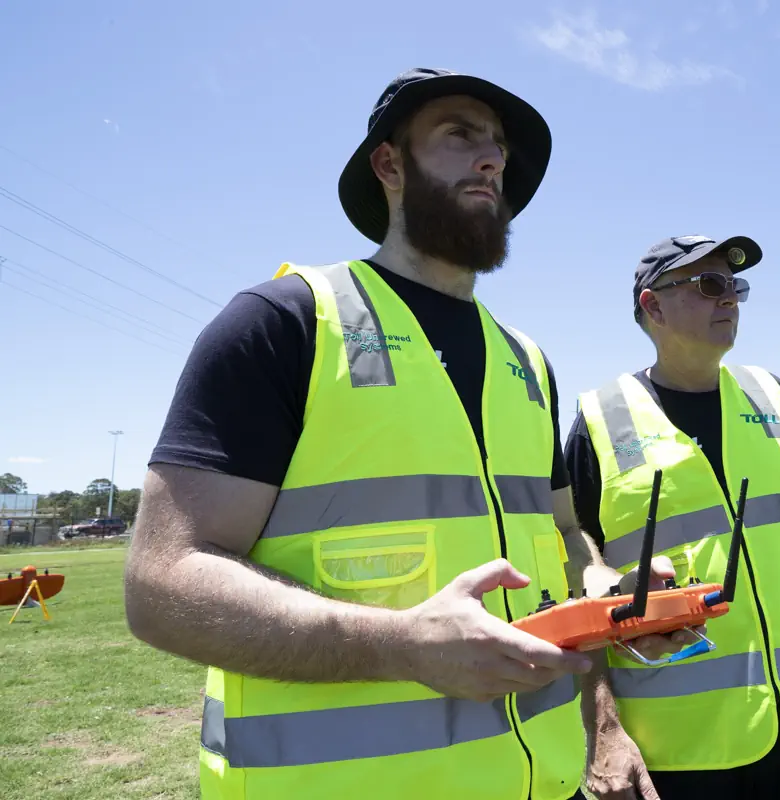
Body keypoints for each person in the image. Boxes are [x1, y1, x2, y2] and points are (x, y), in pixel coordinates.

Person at [123, 66, 666, 800]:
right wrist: (397, 643)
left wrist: (607, 591)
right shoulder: (284, 324)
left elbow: (566, 538)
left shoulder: (526, 362)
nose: (493, 159)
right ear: (389, 164)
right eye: (460, 134)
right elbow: (163, 583)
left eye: (499, 145)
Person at [564, 235, 780, 799]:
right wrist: (604, 730)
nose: (731, 300)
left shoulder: (773, 398)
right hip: (681, 757)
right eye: (710, 285)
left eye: (736, 286)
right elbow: (574, 579)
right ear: (653, 305)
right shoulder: (601, 422)